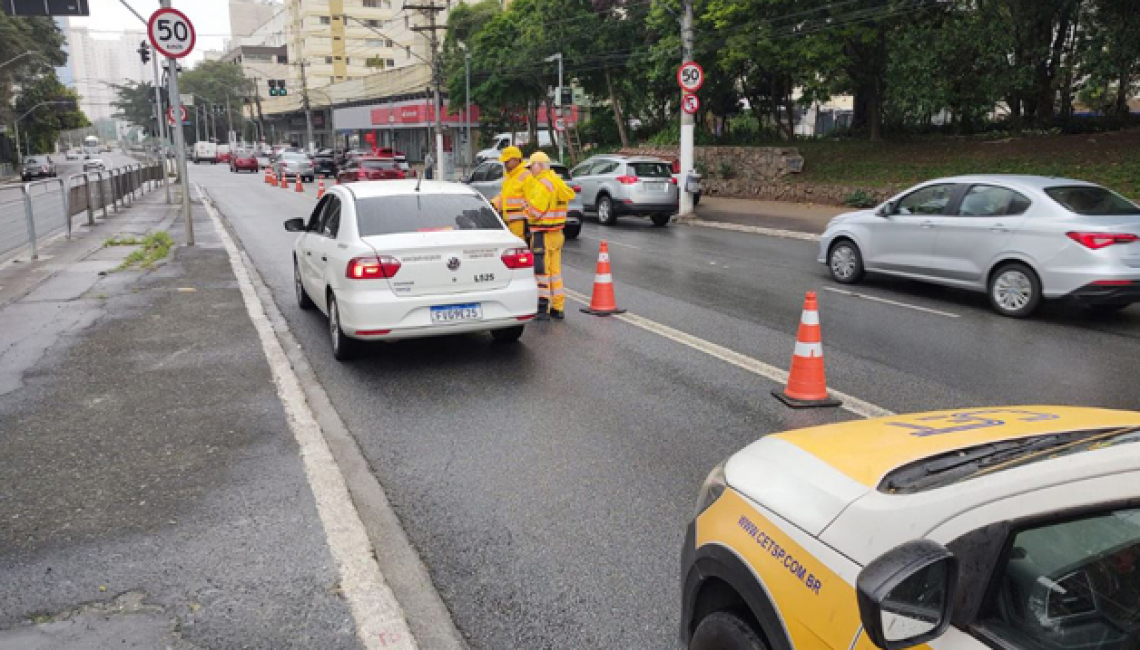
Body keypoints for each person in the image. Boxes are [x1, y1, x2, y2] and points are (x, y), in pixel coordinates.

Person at [523, 151, 575, 320]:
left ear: (538, 165)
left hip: (542, 234)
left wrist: (525, 209)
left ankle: (542, 308)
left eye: (531, 166)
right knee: (555, 272)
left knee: (541, 272)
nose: (531, 170)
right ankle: (558, 307)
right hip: (557, 233)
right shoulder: (557, 181)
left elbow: (536, 212)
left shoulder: (543, 184)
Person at [490, 146, 531, 240]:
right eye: (504, 161)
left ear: (516, 160)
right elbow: (504, 195)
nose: (505, 164)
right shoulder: (510, 176)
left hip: (520, 221)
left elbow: (531, 198)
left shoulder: (526, 175)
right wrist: (493, 204)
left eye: (507, 161)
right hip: (509, 220)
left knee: (519, 247)